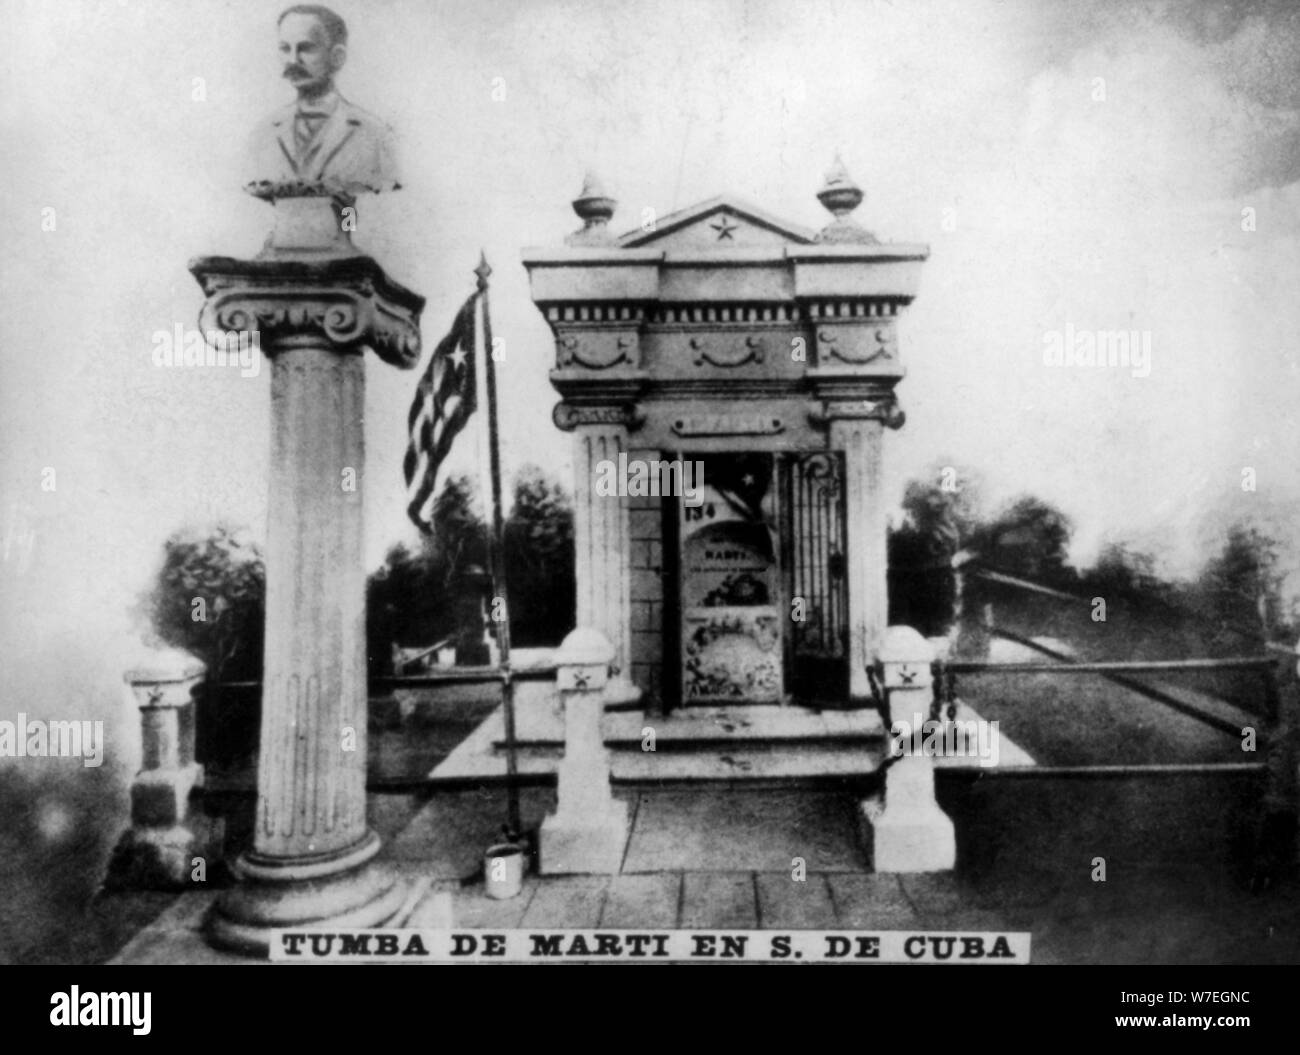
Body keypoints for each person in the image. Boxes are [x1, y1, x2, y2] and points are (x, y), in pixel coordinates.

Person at [245, 4, 400, 201]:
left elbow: (373, 214)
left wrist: (346, 229)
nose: (292, 60)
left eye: (306, 48)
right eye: (285, 48)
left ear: (337, 57)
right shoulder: (264, 133)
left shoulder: (374, 134)